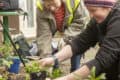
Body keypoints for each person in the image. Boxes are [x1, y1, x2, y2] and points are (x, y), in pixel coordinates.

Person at [39, 0, 120, 80]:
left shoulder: (118, 18)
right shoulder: (97, 20)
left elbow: (104, 58)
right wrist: (54, 59)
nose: (90, 16)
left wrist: (66, 78)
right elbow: (80, 42)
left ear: (108, 6)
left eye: (93, 10)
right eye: (88, 11)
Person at [36, 0, 89, 72]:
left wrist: (66, 38)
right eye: (48, 5)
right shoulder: (41, 8)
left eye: (54, 3)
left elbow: (80, 23)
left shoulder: (74, 2)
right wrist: (46, 59)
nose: (52, 8)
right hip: (60, 30)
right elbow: (44, 35)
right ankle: (55, 71)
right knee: (52, 51)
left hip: (75, 30)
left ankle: (75, 72)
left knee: (75, 46)